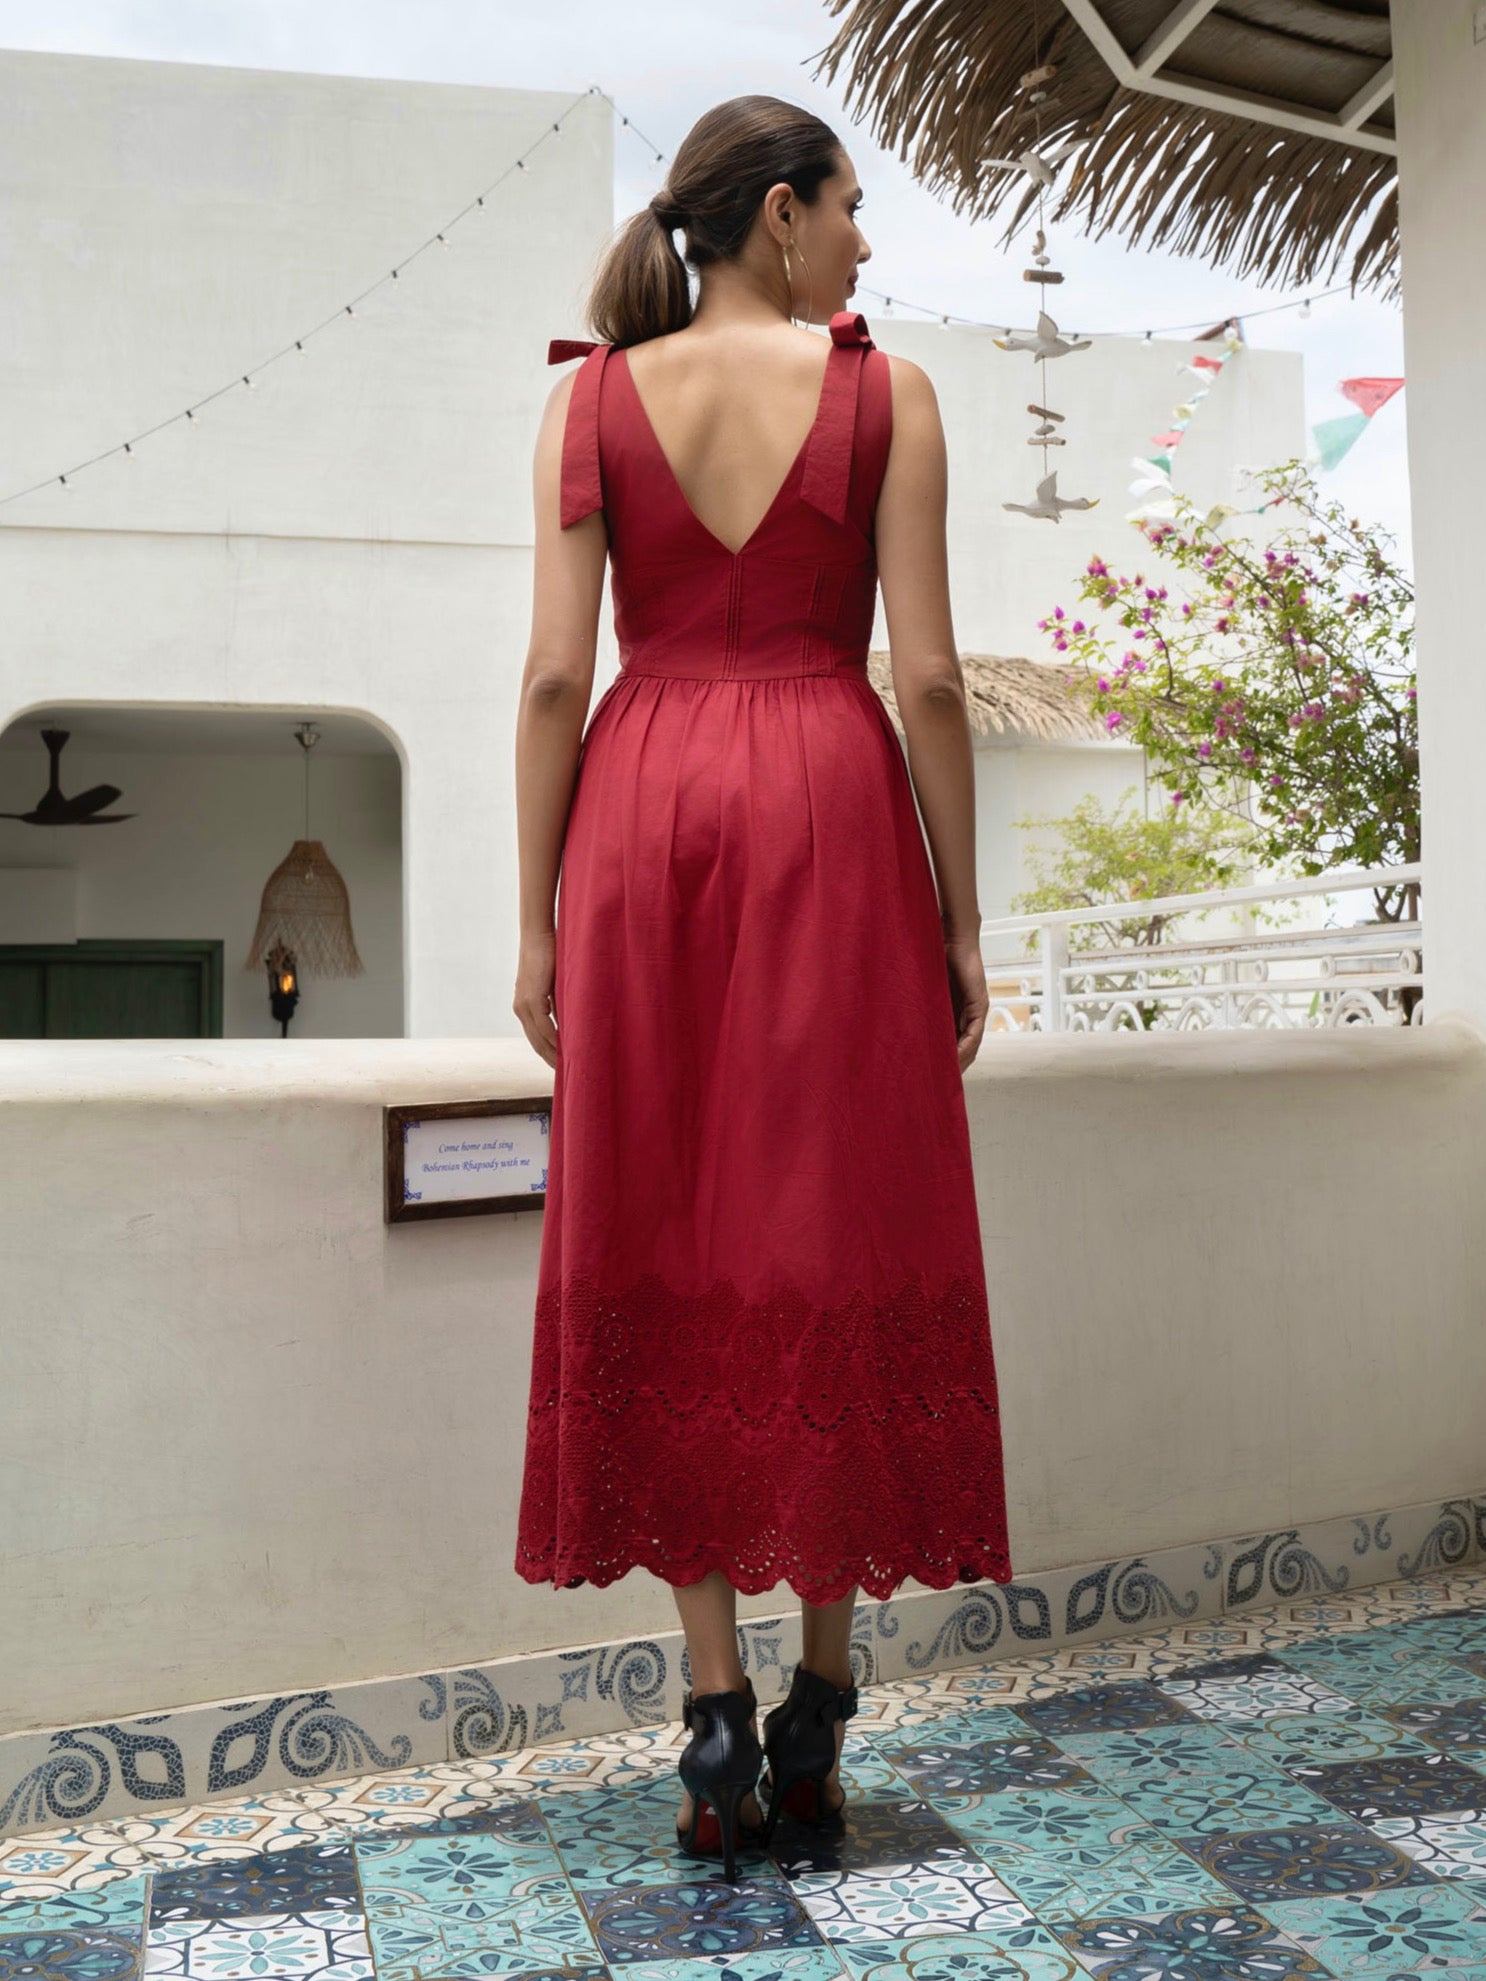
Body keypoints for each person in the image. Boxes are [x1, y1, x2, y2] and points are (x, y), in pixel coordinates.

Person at [511, 94, 1013, 1882]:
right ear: (781, 214)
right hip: (824, 806)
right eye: (851, 208)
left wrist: (533, 922)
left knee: (663, 1223)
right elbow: (930, 678)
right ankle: (818, 1708)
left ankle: (712, 1712)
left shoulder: (588, 400)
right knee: (834, 1222)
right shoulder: (887, 397)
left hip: (642, 818)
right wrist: (963, 918)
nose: (865, 242)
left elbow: (553, 679)